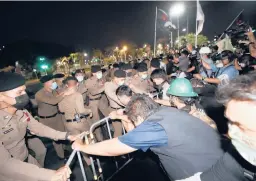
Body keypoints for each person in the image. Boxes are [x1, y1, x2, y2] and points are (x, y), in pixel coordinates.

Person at [72, 94, 224, 180]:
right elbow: (134, 136)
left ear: (137, 118)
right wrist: (125, 119)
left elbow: (115, 147)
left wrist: (82, 146)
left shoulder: (153, 127)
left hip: (204, 175)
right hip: (218, 163)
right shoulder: (167, 111)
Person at [176, 73, 256, 181]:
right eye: (231, 122)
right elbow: (211, 177)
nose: (231, 132)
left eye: (241, 126)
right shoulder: (237, 155)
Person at [0, 72, 75, 181]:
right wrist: (49, 175)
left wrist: (66, 136)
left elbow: (38, 128)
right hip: (10, 174)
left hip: (28, 161)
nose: (24, 94)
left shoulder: (21, 112)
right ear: (1, 96)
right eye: (19, 92)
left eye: (24, 90)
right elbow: (4, 164)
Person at [58, 76, 92, 165]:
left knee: (79, 143)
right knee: (89, 139)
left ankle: (88, 163)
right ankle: (94, 158)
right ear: (77, 84)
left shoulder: (61, 95)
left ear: (66, 85)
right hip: (80, 122)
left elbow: (61, 110)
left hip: (69, 123)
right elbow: (81, 111)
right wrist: (89, 111)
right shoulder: (77, 95)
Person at [35, 75, 70, 159]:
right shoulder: (39, 94)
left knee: (62, 133)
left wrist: (63, 92)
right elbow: (53, 101)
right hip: (47, 119)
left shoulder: (53, 90)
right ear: (46, 83)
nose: (54, 83)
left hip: (56, 116)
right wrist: (65, 94)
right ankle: (61, 156)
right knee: (56, 138)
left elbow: (57, 96)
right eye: (52, 81)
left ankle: (64, 150)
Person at [84, 65, 105, 141]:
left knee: (105, 117)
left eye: (101, 71)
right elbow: (93, 92)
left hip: (101, 100)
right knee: (96, 123)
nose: (100, 73)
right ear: (93, 73)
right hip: (93, 103)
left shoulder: (101, 79)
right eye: (98, 72)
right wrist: (105, 87)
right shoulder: (88, 81)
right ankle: (100, 140)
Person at [105, 69, 126, 137]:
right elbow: (116, 99)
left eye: (124, 79)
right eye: (122, 79)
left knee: (127, 127)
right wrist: (130, 104)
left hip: (123, 109)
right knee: (118, 131)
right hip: (114, 110)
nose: (123, 81)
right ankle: (116, 145)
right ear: (115, 78)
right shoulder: (108, 85)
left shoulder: (122, 83)